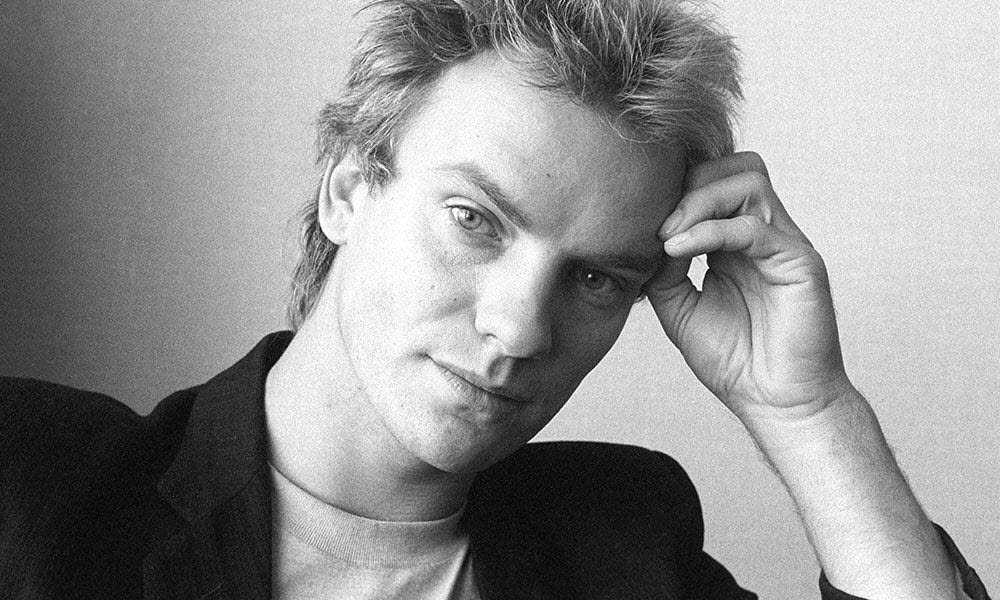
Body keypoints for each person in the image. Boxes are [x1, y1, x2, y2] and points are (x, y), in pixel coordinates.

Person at [0, 1, 989, 599]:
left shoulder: (623, 550)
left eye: (595, 278)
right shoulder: (35, 486)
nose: (518, 328)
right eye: (475, 220)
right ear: (350, 190)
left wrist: (808, 412)